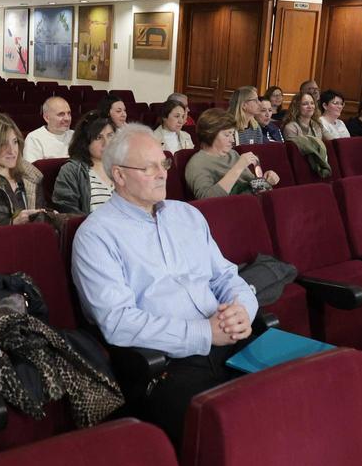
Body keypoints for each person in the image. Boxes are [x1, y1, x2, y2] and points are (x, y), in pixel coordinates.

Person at [71, 124, 260, 446]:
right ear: (118, 175)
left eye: (164, 163)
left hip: (233, 336)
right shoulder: (96, 235)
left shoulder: (187, 215)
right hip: (170, 362)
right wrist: (204, 334)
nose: (162, 174)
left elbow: (226, 276)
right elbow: (118, 322)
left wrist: (244, 309)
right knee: (230, 438)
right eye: (149, 167)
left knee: (305, 389)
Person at [184, 108, 279, 199]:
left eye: (233, 134)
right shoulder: (197, 164)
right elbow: (207, 199)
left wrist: (266, 181)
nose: (232, 140)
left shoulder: (233, 154)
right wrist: (238, 167)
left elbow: (257, 189)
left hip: (252, 205)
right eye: (227, 134)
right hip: (229, 211)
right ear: (210, 134)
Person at [53, 112, 116, 215]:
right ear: (85, 141)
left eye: (110, 135)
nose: (106, 143)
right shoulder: (72, 171)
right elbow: (67, 212)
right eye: (98, 138)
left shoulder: (124, 167)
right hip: (92, 228)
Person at [22, 96, 74, 161]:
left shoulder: (76, 135)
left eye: (69, 113)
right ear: (47, 118)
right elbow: (31, 169)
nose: (67, 118)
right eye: (61, 114)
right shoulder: (34, 138)